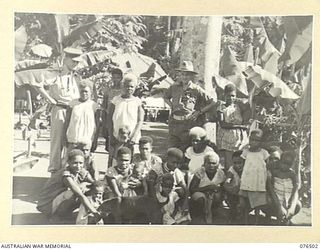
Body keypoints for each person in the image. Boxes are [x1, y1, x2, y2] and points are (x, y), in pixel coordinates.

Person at [35, 47, 83, 174]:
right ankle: (54, 172)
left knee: (71, 141)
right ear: (65, 59)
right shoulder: (56, 74)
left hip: (73, 112)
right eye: (73, 61)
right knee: (57, 143)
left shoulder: (76, 77)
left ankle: (67, 172)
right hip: (60, 110)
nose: (75, 64)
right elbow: (37, 84)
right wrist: (50, 99)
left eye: (77, 62)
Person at [159, 61, 215, 151]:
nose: (184, 77)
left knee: (187, 150)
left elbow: (212, 102)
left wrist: (199, 112)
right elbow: (165, 97)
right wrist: (172, 106)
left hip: (188, 123)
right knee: (171, 150)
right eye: (182, 74)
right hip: (174, 123)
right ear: (180, 75)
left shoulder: (196, 89)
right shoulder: (174, 87)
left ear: (191, 76)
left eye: (187, 75)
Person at [36, 149, 99, 222]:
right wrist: (95, 213)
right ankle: (54, 215)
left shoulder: (81, 171)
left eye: (81, 163)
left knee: (89, 190)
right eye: (75, 163)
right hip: (47, 204)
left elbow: (96, 184)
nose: (78, 166)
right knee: (74, 193)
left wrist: (86, 183)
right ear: (68, 162)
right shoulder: (66, 174)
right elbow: (79, 195)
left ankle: (65, 213)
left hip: (57, 199)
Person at [107, 73, 144, 156]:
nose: (129, 88)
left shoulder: (137, 102)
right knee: (115, 159)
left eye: (132, 86)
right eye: (127, 86)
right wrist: (111, 135)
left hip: (132, 137)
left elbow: (140, 120)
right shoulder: (116, 100)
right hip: (116, 136)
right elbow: (109, 118)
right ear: (122, 86)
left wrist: (134, 136)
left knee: (130, 159)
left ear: (135, 88)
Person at [216, 83, 251, 170]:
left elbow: (249, 104)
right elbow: (223, 124)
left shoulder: (238, 106)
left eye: (233, 96)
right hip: (228, 137)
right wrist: (240, 126)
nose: (231, 98)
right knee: (229, 163)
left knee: (241, 160)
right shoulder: (221, 107)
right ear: (224, 95)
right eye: (228, 96)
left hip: (240, 137)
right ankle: (229, 180)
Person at [238, 129, 269, 224]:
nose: (254, 142)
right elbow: (242, 165)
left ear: (261, 142)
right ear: (249, 140)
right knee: (245, 203)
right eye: (252, 140)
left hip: (258, 182)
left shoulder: (264, 153)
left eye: (257, 140)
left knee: (258, 204)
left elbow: (267, 166)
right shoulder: (245, 152)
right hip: (248, 181)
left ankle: (256, 220)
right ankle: (245, 220)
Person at [189, 151, 226, 224]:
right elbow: (192, 189)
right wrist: (207, 188)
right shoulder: (200, 172)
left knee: (217, 196)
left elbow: (223, 188)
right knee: (201, 198)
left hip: (213, 194)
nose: (211, 166)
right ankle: (200, 214)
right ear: (204, 164)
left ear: (218, 165)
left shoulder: (220, 173)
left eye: (214, 163)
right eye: (208, 163)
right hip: (200, 192)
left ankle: (214, 211)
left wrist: (216, 190)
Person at [65, 79, 99, 153]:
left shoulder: (94, 106)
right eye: (82, 91)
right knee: (71, 161)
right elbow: (66, 121)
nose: (84, 93)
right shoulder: (72, 104)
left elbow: (97, 125)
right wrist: (64, 137)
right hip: (73, 139)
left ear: (90, 92)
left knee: (85, 162)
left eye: (86, 91)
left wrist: (95, 140)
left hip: (87, 140)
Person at [268, 151, 301, 225]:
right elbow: (271, 189)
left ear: (291, 164)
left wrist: (291, 204)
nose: (285, 166)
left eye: (288, 164)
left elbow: (295, 189)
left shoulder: (291, 174)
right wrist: (279, 206)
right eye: (283, 163)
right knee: (280, 213)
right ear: (280, 161)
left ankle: (286, 222)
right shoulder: (275, 172)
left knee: (287, 213)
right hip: (277, 197)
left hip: (288, 197)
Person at [101, 68, 124, 151]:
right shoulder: (108, 91)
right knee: (110, 146)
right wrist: (104, 124)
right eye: (114, 77)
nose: (116, 80)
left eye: (118, 77)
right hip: (109, 119)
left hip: (120, 119)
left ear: (121, 78)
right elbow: (104, 107)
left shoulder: (124, 91)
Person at [223, 150, 245, 222]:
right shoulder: (232, 170)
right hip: (234, 192)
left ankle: (242, 215)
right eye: (235, 163)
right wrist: (230, 188)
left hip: (244, 191)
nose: (237, 165)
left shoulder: (247, 169)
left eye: (239, 163)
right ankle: (233, 215)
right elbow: (227, 181)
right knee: (232, 199)